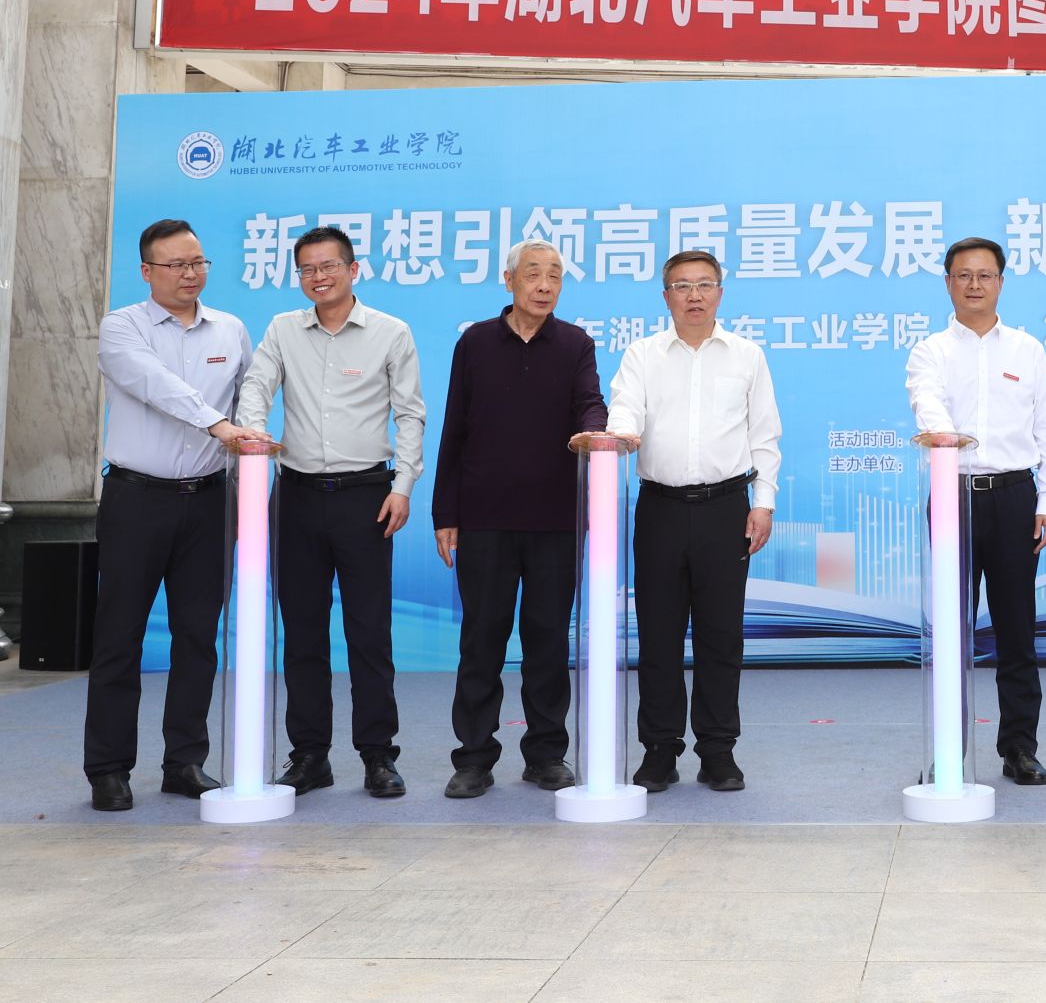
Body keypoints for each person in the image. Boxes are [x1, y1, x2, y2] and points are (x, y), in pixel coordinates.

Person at [237, 225, 426, 799]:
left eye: (329, 266)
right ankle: (309, 755)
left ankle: (378, 755)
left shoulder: (391, 332)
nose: (318, 277)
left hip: (366, 497)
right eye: (307, 269)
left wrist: (403, 485)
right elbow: (256, 386)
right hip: (294, 496)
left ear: (353, 269)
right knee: (302, 634)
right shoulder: (282, 329)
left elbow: (410, 415)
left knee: (369, 633)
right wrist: (253, 440)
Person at [84, 220, 265, 812]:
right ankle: (109, 768)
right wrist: (216, 424)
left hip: (209, 502)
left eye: (198, 263)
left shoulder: (231, 329)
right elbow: (154, 385)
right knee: (120, 637)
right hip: (137, 500)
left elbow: (247, 403)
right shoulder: (122, 327)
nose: (190, 274)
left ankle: (184, 761)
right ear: (147, 271)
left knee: (197, 637)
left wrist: (248, 468)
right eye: (176, 265)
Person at [435, 240, 608, 799]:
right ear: (509, 280)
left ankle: (546, 754)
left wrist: (597, 430)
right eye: (533, 274)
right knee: (481, 641)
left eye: (554, 275)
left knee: (548, 641)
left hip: (556, 518)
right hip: (484, 517)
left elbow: (590, 401)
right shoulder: (476, 342)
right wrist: (446, 512)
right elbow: (454, 427)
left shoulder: (575, 343)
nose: (544, 285)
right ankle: (473, 758)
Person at [605, 249, 782, 794]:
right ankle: (659, 750)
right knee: (657, 634)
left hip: (726, 508)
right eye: (682, 286)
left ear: (720, 294)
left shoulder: (746, 355)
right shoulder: (643, 354)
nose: (694, 295)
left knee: (720, 635)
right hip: (659, 507)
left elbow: (764, 434)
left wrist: (763, 501)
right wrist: (620, 436)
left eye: (704, 284)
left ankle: (718, 750)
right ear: (666, 297)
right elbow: (624, 408)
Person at [905, 237, 1046, 786]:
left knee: (1017, 630)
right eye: (963, 275)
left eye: (985, 275)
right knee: (952, 631)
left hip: (1015, 496)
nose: (974, 284)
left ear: (1000, 282)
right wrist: (947, 436)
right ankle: (948, 749)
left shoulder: (1027, 350)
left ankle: (1019, 747)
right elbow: (926, 402)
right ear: (948, 282)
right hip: (953, 493)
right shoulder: (930, 351)